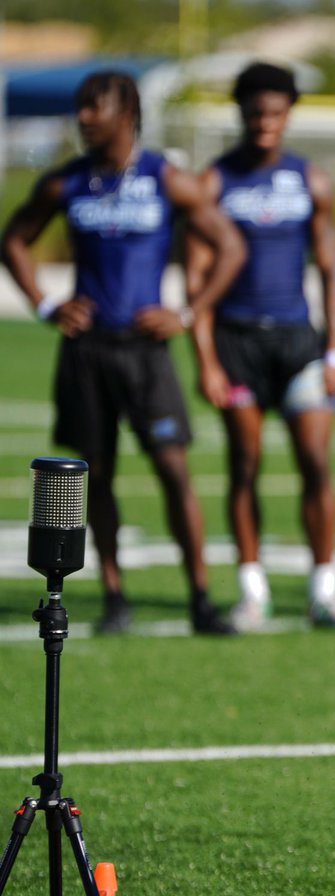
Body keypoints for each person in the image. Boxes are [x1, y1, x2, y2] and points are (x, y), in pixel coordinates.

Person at [0, 71, 243, 635]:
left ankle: (201, 597)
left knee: (174, 470)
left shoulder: (165, 178)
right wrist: (45, 304)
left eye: (96, 107)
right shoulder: (68, 182)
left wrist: (187, 312)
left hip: (146, 351)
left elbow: (230, 246)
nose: (84, 117)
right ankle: (114, 596)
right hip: (87, 351)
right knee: (96, 476)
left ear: (127, 112)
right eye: (81, 107)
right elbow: (13, 239)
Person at [185, 61, 335, 631]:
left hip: (297, 343)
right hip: (235, 343)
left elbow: (331, 270)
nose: (265, 122)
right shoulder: (214, 182)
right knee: (245, 466)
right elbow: (195, 280)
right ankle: (252, 593)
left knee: (316, 463)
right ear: (241, 113)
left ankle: (325, 593)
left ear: (288, 116)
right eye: (256, 112)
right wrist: (205, 360)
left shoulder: (311, 180)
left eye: (276, 113)